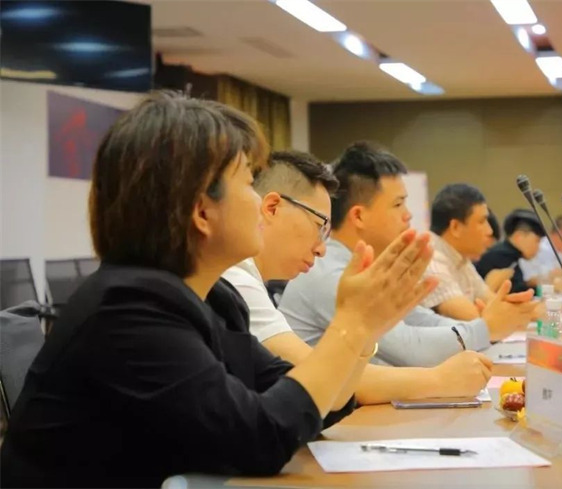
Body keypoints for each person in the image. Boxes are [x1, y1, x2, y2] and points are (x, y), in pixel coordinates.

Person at [0, 93, 438, 488]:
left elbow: (310, 402)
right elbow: (260, 439)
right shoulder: (127, 310)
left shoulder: (215, 299)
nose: (260, 200)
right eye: (248, 182)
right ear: (201, 211)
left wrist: (362, 333)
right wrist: (350, 324)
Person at [222, 150, 491, 404]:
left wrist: (367, 333)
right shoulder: (240, 278)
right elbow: (318, 382)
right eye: (319, 225)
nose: (321, 247)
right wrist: (439, 378)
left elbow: (333, 390)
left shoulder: (247, 277)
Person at [280, 142, 538, 367]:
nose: (408, 215)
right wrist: (485, 328)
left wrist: (484, 326)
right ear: (358, 216)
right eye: (398, 204)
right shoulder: (331, 274)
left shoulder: (366, 267)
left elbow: (419, 320)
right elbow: (409, 350)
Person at [421, 183, 494, 320]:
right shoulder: (431, 258)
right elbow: (474, 319)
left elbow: (492, 302)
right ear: (455, 227)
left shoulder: (461, 259)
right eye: (482, 222)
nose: (489, 231)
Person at [475, 209, 545, 293]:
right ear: (519, 236)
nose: (539, 248)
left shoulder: (509, 255)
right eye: (537, 241)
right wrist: (545, 289)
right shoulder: (502, 257)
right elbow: (516, 292)